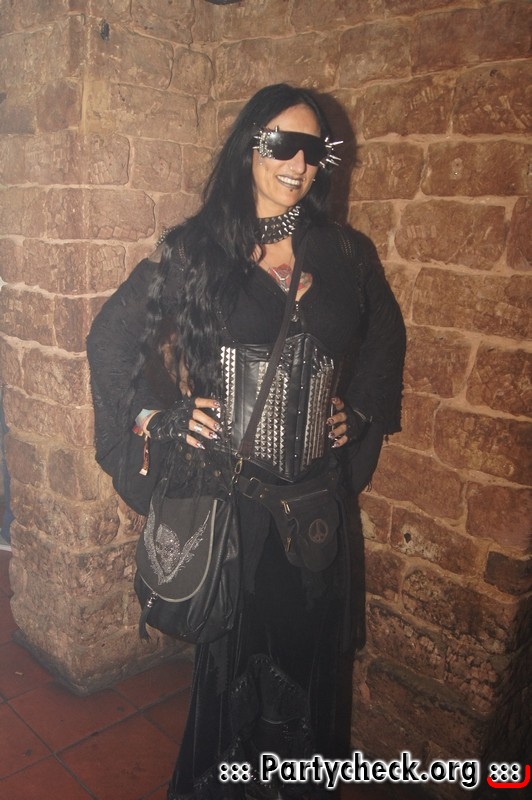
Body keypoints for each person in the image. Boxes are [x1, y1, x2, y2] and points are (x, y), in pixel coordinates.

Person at [87, 83, 405, 800]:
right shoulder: (197, 252)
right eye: (282, 144)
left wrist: (357, 412)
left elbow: (387, 336)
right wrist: (154, 415)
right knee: (231, 677)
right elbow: (110, 338)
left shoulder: (346, 254)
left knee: (307, 670)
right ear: (249, 147)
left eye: (314, 150)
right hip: (233, 509)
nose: (299, 164)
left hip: (315, 509)